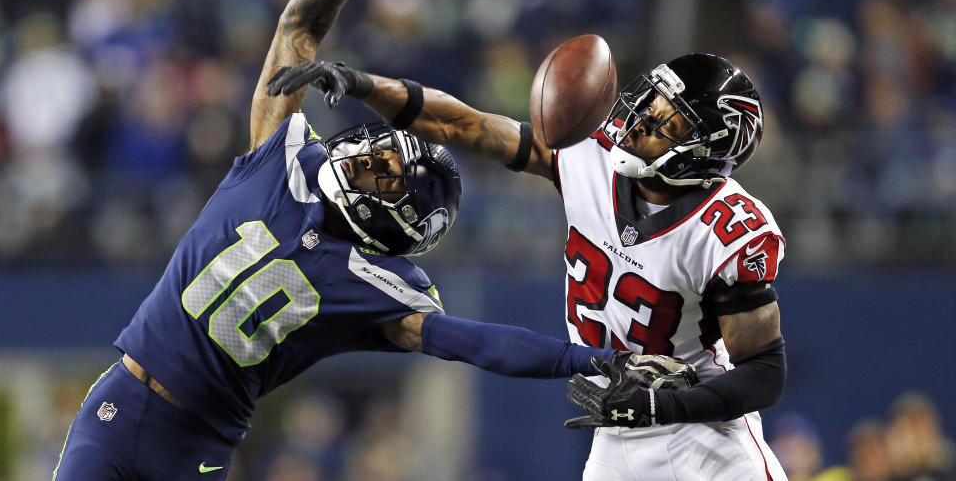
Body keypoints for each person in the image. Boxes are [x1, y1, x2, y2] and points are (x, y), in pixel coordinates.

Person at [52, 0, 619, 481]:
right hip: (123, 401)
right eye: (384, 152)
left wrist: (587, 359)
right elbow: (299, 25)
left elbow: (475, 342)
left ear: (394, 217)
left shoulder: (372, 285)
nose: (369, 154)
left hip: (198, 447)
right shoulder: (286, 156)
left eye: (385, 172)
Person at [269, 51, 790, 479]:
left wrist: (662, 408)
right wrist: (363, 84)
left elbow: (764, 374)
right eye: (650, 101)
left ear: (704, 149)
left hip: (704, 439)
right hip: (618, 433)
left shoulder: (728, 229)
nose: (642, 119)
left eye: (667, 119)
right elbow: (463, 124)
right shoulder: (590, 152)